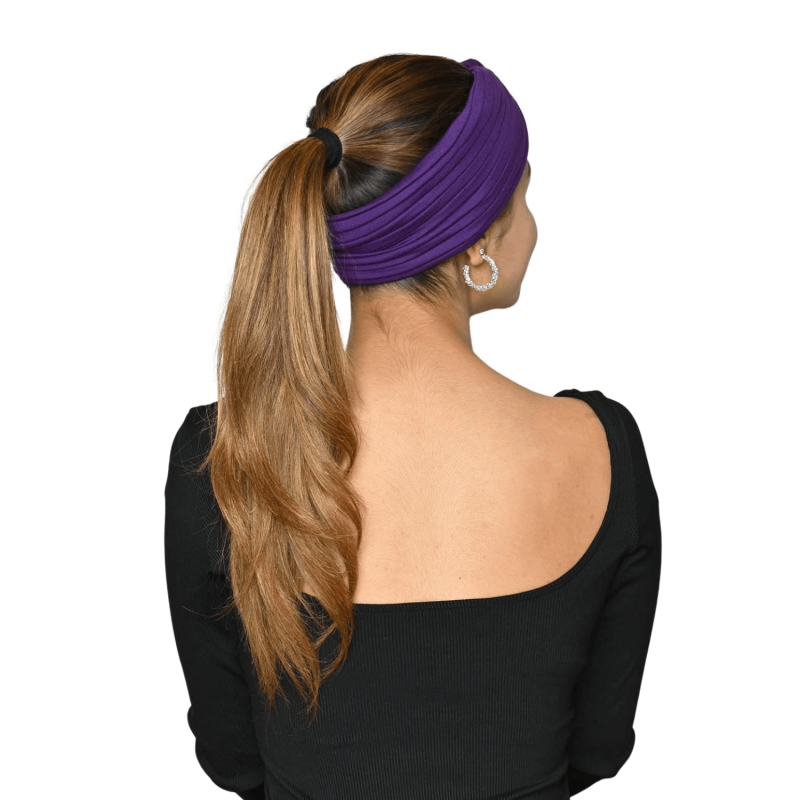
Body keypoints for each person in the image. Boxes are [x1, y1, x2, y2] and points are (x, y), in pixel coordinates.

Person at [164, 54, 661, 800]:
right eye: (524, 196)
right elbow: (597, 748)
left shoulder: (224, 458)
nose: (532, 225)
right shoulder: (601, 448)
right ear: (478, 238)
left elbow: (233, 757)